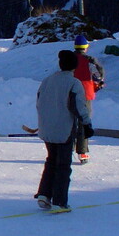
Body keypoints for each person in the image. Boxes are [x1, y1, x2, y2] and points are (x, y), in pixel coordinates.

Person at [34, 50, 93, 213]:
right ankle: (59, 201)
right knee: (63, 165)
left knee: (51, 160)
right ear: (74, 66)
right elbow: (79, 107)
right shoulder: (74, 83)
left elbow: (39, 103)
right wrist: (87, 124)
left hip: (47, 128)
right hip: (64, 129)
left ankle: (44, 194)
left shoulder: (47, 81)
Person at [72, 35, 105, 163]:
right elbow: (98, 74)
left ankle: (67, 147)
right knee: (83, 122)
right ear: (86, 47)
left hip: (69, 92)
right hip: (85, 94)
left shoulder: (69, 59)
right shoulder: (90, 60)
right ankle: (82, 152)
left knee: (69, 121)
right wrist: (99, 83)